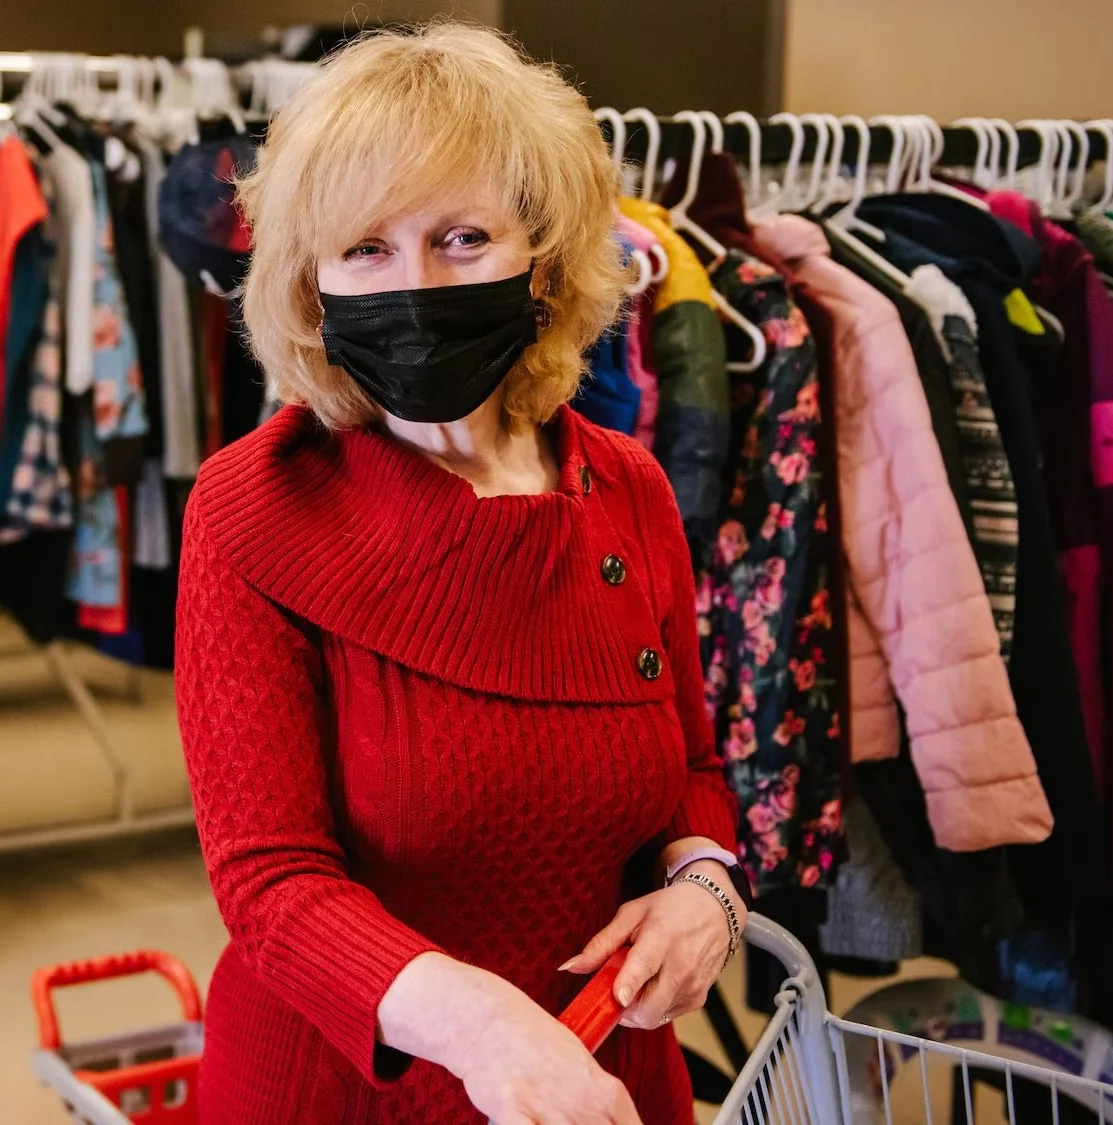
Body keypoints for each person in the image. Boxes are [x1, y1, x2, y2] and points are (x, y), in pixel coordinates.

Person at [174, 23, 748, 1125]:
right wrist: (482, 1029)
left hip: (603, 1073)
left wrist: (705, 887)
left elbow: (688, 768)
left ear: (543, 257)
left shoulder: (626, 488)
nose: (417, 284)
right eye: (366, 249)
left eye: (462, 237)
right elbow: (271, 884)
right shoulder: (251, 509)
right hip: (344, 1095)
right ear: (311, 283)